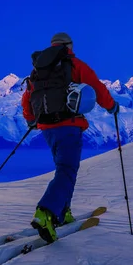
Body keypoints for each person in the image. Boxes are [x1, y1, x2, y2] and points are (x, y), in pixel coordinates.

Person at [21, 32, 119, 243]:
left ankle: (63, 211)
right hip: (69, 125)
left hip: (47, 128)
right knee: (67, 170)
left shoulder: (39, 69)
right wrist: (112, 107)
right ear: (69, 46)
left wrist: (31, 120)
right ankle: (45, 212)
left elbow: (27, 96)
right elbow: (98, 88)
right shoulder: (74, 65)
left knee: (64, 169)